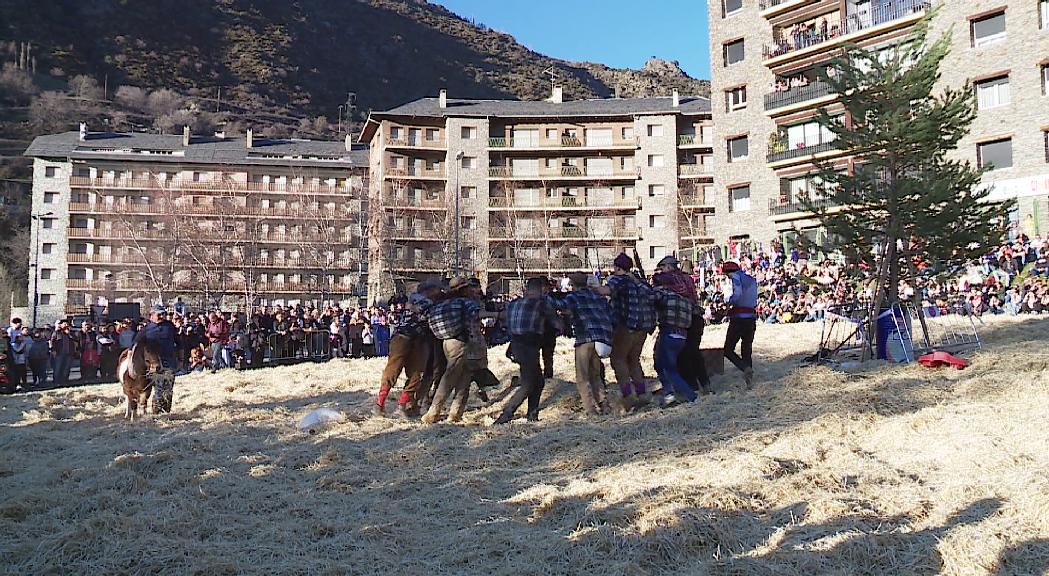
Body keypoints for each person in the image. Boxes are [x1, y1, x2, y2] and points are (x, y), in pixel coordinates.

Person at [495, 277, 561, 424]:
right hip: (529, 345)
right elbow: (557, 324)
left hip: (516, 345)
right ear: (542, 289)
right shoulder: (542, 304)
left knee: (538, 382)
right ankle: (506, 414)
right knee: (528, 383)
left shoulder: (513, 304)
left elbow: (505, 321)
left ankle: (532, 415)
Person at [548, 273, 614, 416]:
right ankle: (605, 406)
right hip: (601, 340)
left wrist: (546, 296)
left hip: (584, 338)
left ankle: (591, 411)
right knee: (595, 376)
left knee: (582, 378)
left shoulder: (574, 297)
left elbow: (559, 304)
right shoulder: (597, 296)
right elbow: (609, 313)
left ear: (572, 284)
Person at [421, 276, 483, 424]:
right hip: (461, 342)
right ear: (463, 289)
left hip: (446, 342)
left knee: (464, 377)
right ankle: (433, 412)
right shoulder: (465, 302)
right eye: (469, 287)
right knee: (450, 377)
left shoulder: (443, 303)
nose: (473, 289)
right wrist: (498, 315)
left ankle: (455, 414)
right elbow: (477, 314)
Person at [603, 253, 657, 410]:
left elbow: (606, 291)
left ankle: (627, 395)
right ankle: (642, 393)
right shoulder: (640, 281)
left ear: (617, 267)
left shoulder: (618, 280)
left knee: (618, 359)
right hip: (643, 329)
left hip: (625, 326)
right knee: (634, 360)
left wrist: (590, 289)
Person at [653, 255, 711, 394]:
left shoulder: (673, 278)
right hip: (695, 317)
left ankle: (691, 388)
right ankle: (705, 384)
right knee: (694, 353)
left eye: (662, 268)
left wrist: (659, 284)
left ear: (668, 267)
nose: (661, 272)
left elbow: (681, 290)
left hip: (684, 318)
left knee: (682, 355)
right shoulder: (687, 277)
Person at [376, 286, 436, 418]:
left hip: (406, 337)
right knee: (413, 374)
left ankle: (381, 405)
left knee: (395, 371)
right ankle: (398, 406)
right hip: (411, 338)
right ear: (430, 290)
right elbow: (427, 316)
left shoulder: (412, 298)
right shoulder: (428, 302)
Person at [652, 275, 698, 408]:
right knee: (661, 365)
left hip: (669, 333)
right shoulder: (684, 299)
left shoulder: (663, 295)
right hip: (683, 335)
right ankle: (669, 393)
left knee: (669, 369)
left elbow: (650, 297)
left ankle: (690, 396)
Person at [722, 261, 758, 387]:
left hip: (739, 317)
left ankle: (744, 368)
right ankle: (749, 380)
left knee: (728, 349)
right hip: (751, 317)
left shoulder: (736, 277)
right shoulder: (751, 279)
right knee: (746, 348)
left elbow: (737, 293)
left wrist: (729, 302)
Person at [136, 306, 179, 413]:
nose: (161, 316)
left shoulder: (170, 326)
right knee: (158, 390)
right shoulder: (146, 329)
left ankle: (166, 412)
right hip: (155, 365)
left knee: (168, 389)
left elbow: (179, 343)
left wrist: (181, 360)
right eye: (158, 314)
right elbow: (136, 345)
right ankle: (156, 412)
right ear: (152, 315)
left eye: (163, 314)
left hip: (169, 362)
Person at [49, 319, 75, 386]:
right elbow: (52, 341)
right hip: (59, 353)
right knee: (58, 368)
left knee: (66, 368)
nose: (66, 325)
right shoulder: (57, 332)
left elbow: (75, 340)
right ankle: (56, 381)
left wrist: (69, 334)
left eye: (67, 324)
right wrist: (53, 350)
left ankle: (65, 381)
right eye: (64, 324)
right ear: (61, 325)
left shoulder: (70, 333)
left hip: (68, 353)